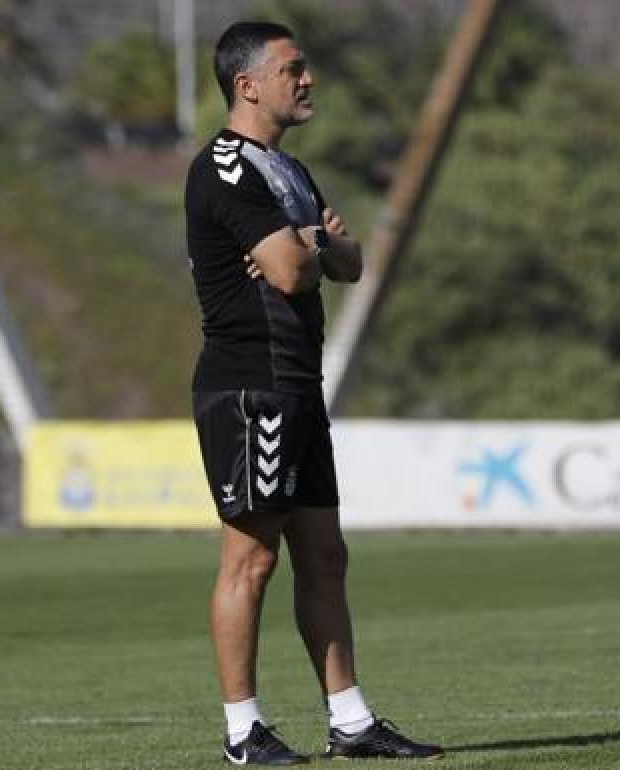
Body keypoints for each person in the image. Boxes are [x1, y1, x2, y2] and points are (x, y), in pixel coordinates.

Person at [183, 20, 445, 766]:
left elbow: (344, 261)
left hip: (298, 385)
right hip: (249, 388)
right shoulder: (226, 169)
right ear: (248, 84)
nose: (308, 80)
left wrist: (311, 242)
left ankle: (351, 721)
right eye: (293, 69)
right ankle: (243, 732)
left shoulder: (287, 170)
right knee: (251, 560)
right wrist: (310, 247)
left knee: (325, 556)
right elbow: (297, 271)